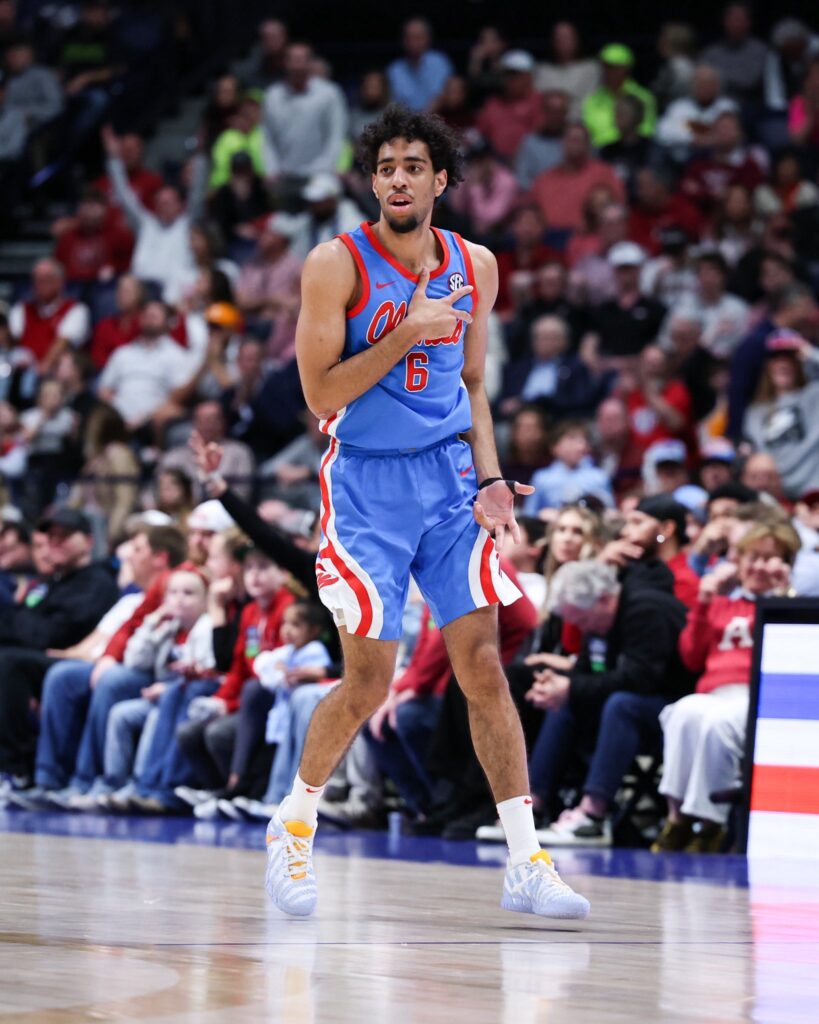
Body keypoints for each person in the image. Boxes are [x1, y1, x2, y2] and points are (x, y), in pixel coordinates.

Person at [266, 104, 590, 920]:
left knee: (481, 664)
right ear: (373, 183)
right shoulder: (334, 264)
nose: (398, 179)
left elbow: (473, 384)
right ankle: (293, 825)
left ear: (440, 179)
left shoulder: (475, 264)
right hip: (365, 486)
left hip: (447, 479)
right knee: (368, 681)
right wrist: (406, 332)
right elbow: (320, 395)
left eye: (413, 166)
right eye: (385, 168)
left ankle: (526, 861)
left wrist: (490, 476)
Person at [653, 522, 800, 853]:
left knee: (717, 723)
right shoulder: (720, 603)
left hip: (760, 699)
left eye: (769, 558)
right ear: (739, 560)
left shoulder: (789, 605)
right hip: (715, 694)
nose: (759, 566)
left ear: (786, 564)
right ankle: (676, 819)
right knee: (682, 713)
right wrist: (704, 603)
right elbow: (691, 657)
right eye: (752, 556)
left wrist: (785, 595)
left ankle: (710, 825)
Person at [526, 558, 692, 845]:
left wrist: (572, 686)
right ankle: (531, 807)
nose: (582, 627)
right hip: (635, 700)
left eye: (583, 620)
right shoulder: (598, 620)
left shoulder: (647, 609)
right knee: (564, 702)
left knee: (620, 705)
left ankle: (593, 814)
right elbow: (587, 671)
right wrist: (555, 687)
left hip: (676, 704)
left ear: (604, 599)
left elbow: (641, 679)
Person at [742, 331, 819, 500]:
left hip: (814, 491)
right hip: (773, 493)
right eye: (776, 358)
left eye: (790, 357)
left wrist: (809, 352)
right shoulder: (755, 412)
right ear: (767, 366)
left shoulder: (814, 395)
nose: (783, 363)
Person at [531, 123, 625, 233]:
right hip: (548, 238)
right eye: (570, 139)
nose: (574, 144)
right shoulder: (543, 180)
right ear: (561, 143)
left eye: (578, 140)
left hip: (591, 237)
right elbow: (532, 213)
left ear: (588, 145)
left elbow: (619, 208)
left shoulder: (604, 174)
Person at [9, 258, 90, 373]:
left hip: (55, 373)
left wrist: (41, 369)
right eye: (37, 280)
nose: (40, 285)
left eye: (47, 279)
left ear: (60, 282)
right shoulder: (21, 309)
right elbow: (12, 343)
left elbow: (62, 344)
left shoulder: (76, 310)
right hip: (22, 370)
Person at [524, 420, 614, 514]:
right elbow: (529, 513)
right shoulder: (541, 478)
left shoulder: (599, 477)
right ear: (555, 447)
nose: (575, 446)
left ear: (586, 447)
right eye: (570, 440)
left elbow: (609, 512)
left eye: (580, 441)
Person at [582, 43, 656, 148]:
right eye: (604, 66)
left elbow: (646, 131)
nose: (607, 71)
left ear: (626, 69)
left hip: (633, 151)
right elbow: (587, 134)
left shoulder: (643, 98)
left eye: (613, 67)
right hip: (599, 152)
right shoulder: (592, 100)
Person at [386, 18, 453, 113]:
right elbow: (392, 102)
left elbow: (441, 96)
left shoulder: (440, 62)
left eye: (418, 37)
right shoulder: (394, 69)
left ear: (428, 39)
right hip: (404, 119)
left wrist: (421, 119)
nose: (413, 42)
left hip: (436, 117)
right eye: (409, 38)